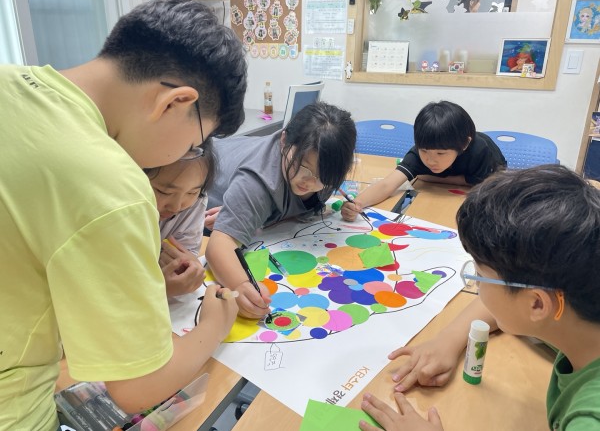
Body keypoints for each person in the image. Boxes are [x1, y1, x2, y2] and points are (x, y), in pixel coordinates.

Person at [0, 0, 247, 430]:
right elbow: (136, 387)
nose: (186, 154)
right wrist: (215, 323)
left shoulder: (10, 82)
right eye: (194, 143)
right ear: (174, 102)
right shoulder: (112, 185)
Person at [358, 165, 600, 431]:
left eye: (480, 276)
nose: (477, 285)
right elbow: (510, 303)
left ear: (537, 304)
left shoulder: (588, 419)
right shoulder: (575, 308)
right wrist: (448, 340)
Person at [205, 102, 357, 319]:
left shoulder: (324, 173)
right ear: (283, 140)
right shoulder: (257, 181)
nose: (309, 182)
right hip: (198, 193)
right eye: (302, 167)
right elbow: (219, 245)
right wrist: (241, 285)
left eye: (322, 177)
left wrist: (265, 217)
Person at [341, 101, 506, 222]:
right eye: (424, 150)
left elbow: (486, 186)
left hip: (491, 175)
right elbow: (387, 185)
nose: (431, 160)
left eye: (441, 153)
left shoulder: (481, 152)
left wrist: (428, 177)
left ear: (464, 144)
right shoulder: (419, 154)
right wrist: (357, 203)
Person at [146, 143, 215, 297]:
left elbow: (188, 251)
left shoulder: (196, 202)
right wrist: (157, 289)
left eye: (192, 192)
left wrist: (189, 265)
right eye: (164, 192)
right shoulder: (120, 213)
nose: (176, 207)